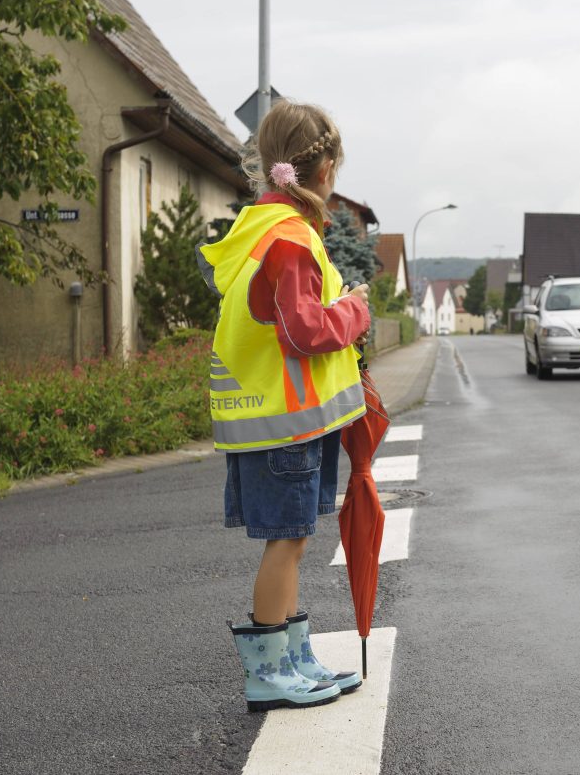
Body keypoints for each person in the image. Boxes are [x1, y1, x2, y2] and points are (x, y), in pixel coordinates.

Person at [197, 100, 371, 713]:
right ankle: (269, 673)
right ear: (323, 168)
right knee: (287, 542)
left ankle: (293, 659)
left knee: (293, 539)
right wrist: (355, 308)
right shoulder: (291, 240)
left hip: (277, 420)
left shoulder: (261, 230)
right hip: (284, 425)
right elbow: (303, 332)